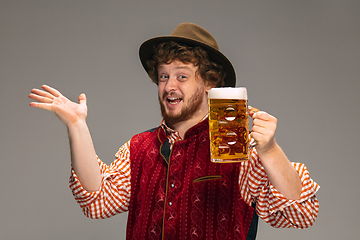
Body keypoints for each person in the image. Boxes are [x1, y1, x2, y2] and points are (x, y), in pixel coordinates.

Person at [29, 23, 320, 240]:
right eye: (164, 76)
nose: (169, 86)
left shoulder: (234, 149)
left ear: (210, 81)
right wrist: (77, 126)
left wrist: (269, 150)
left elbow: (302, 212)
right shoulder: (139, 147)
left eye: (182, 76)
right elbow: (98, 201)